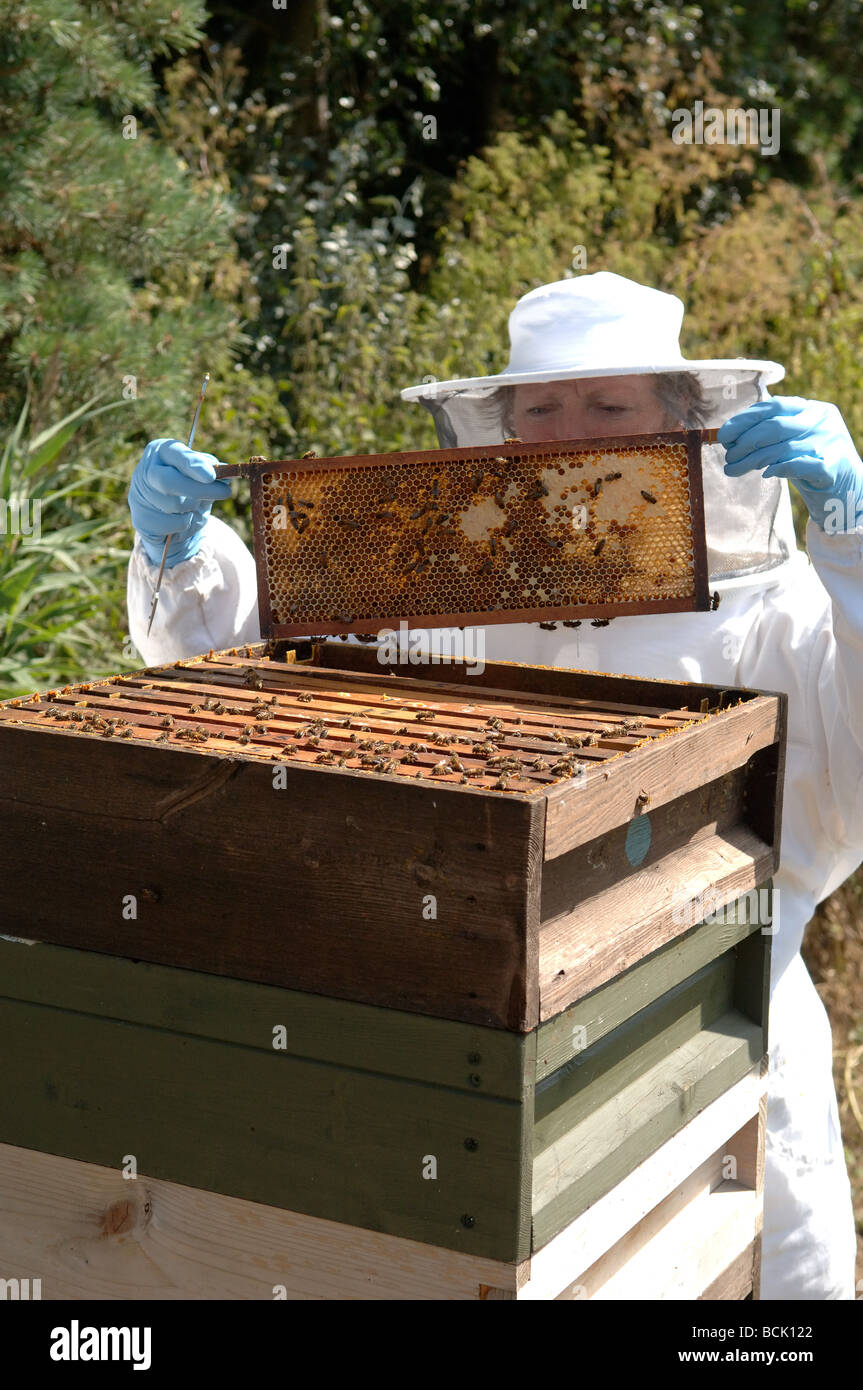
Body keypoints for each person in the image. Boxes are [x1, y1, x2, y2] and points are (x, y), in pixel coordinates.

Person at [127, 271, 862, 1300]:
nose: (566, 437)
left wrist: (853, 539)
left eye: (608, 407)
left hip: (723, 1054)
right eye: (540, 409)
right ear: (498, 433)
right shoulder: (438, 592)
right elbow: (263, 681)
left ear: (681, 420)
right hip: (483, 1069)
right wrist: (183, 550)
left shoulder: (768, 610)